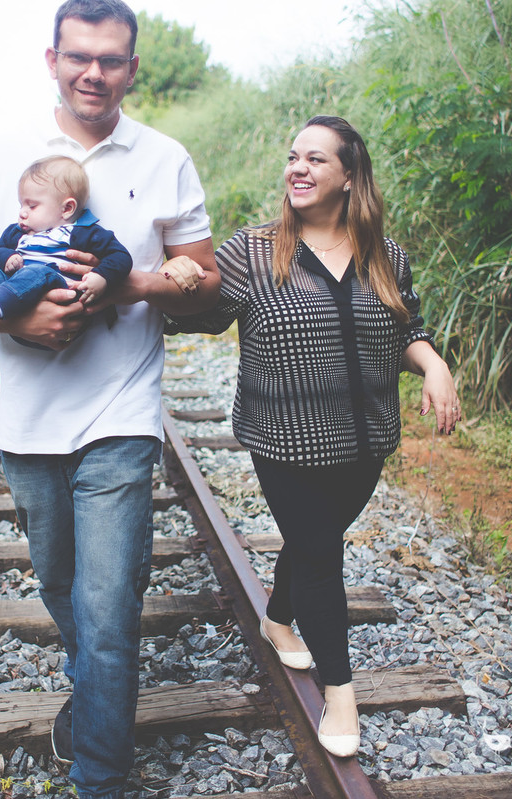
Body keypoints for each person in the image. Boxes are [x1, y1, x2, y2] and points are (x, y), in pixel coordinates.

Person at [0, 1, 218, 795]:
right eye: (78, 58)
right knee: (62, 586)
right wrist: (26, 322)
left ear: (133, 67)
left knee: (107, 610)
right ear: (52, 59)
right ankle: (94, 688)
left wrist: (123, 283)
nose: (93, 73)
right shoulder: (8, 155)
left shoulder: (165, 156)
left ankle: (101, 773)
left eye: (111, 59)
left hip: (123, 414)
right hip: (29, 423)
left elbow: (203, 280)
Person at [166, 115, 460, 758]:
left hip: (368, 438)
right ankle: (341, 692)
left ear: (349, 176)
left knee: (314, 541)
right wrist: (177, 280)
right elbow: (200, 314)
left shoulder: (384, 253)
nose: (298, 168)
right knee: (323, 552)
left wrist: (433, 363)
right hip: (284, 438)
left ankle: (277, 619)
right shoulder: (254, 250)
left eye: (316, 160)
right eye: (293, 157)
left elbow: (407, 327)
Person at [0, 155, 132, 327]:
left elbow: (120, 256)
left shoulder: (83, 232)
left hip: (60, 303)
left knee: (40, 271)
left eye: (32, 206)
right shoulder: (17, 233)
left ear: (67, 208)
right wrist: (7, 257)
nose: (22, 212)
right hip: (23, 309)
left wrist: (102, 277)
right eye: (21, 204)